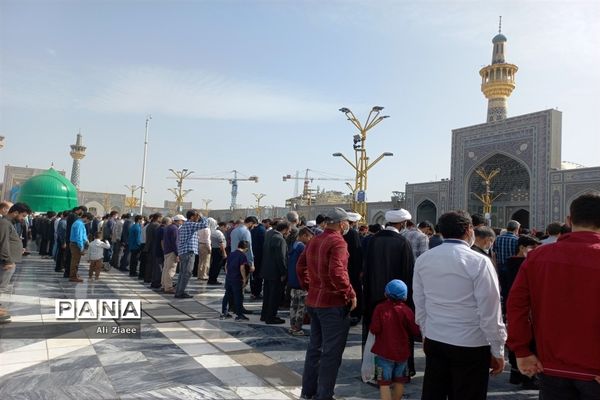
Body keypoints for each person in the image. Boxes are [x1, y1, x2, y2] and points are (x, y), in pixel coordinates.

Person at [507, 193, 600, 400]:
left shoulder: (538, 256)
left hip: (550, 368)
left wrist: (522, 351)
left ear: (569, 220)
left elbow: (516, 306)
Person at [413, 210, 506, 399]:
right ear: (468, 229)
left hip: (436, 338)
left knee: (434, 393)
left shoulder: (425, 259)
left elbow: (420, 303)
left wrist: (426, 334)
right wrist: (498, 349)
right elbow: (490, 311)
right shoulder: (479, 262)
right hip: (470, 344)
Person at [297, 207, 357, 400]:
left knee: (315, 348)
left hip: (314, 301)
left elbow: (300, 266)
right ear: (342, 223)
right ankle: (324, 395)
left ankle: (308, 391)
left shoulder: (315, 239)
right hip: (332, 303)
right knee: (331, 352)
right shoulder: (338, 241)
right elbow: (337, 272)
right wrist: (349, 293)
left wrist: (311, 286)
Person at [363, 209, 415, 374]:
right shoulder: (402, 243)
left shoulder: (372, 240)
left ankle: (374, 369)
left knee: (374, 334)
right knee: (397, 335)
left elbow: (365, 270)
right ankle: (401, 371)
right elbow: (408, 273)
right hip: (397, 302)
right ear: (402, 224)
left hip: (373, 298)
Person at [370, 279, 421, 400]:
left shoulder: (380, 308)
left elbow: (374, 328)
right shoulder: (407, 310)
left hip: (383, 353)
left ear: (385, 294)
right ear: (405, 296)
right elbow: (415, 330)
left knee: (384, 384)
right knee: (400, 381)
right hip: (402, 354)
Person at [504, 234, 542, 388]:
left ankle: (518, 375)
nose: (534, 250)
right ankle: (527, 377)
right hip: (524, 310)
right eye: (532, 247)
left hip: (516, 309)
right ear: (522, 247)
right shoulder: (525, 264)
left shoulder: (511, 264)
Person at [0, 202, 31, 323]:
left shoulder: (8, 223)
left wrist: (18, 248)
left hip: (9, 260)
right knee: (1, 286)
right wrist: (7, 260)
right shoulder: (4, 223)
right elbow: (3, 243)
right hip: (6, 262)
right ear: (15, 213)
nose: (23, 219)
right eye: (22, 216)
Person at [261, 220, 290, 324]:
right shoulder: (280, 239)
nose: (289, 232)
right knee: (274, 296)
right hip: (275, 273)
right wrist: (283, 272)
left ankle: (264, 315)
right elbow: (281, 258)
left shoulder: (269, 234)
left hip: (266, 270)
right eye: (289, 230)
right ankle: (271, 317)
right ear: (285, 229)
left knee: (267, 295)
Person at [174, 209, 208, 298]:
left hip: (183, 252)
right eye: (197, 216)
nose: (198, 218)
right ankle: (180, 292)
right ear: (192, 217)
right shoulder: (190, 224)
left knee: (183, 273)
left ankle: (179, 291)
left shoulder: (185, 225)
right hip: (188, 252)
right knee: (187, 273)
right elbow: (205, 224)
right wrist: (202, 216)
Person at [288, 226, 314, 335]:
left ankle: (292, 326)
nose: (310, 240)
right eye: (309, 237)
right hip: (301, 282)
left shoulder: (293, 245)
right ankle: (297, 328)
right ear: (304, 235)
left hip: (293, 281)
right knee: (301, 308)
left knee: (293, 306)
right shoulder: (302, 247)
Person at [220, 240, 250, 321]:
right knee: (238, 296)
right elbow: (242, 268)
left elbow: (226, 265)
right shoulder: (242, 256)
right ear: (246, 248)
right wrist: (244, 279)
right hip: (237, 278)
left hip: (229, 278)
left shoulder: (232, 253)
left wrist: (228, 274)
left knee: (227, 295)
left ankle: (224, 312)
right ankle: (239, 315)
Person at [493, 219, 520, 301]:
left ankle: (504, 307)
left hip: (500, 266)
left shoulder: (498, 239)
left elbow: (494, 253)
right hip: (512, 267)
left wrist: (495, 266)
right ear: (516, 229)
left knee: (503, 288)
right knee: (511, 288)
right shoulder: (517, 240)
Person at [69, 212, 93, 283]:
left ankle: (74, 274)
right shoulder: (79, 224)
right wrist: (81, 247)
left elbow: (82, 234)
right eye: (88, 220)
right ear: (85, 218)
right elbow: (78, 236)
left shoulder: (79, 223)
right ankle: (73, 276)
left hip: (77, 244)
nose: (88, 222)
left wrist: (86, 240)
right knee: (75, 261)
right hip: (76, 244)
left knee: (76, 261)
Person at [208, 221, 227, 285]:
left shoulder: (213, 232)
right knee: (217, 266)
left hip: (214, 249)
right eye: (225, 227)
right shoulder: (219, 233)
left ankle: (211, 279)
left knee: (214, 265)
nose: (225, 229)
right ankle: (213, 279)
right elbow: (221, 243)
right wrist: (224, 253)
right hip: (219, 250)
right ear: (222, 226)